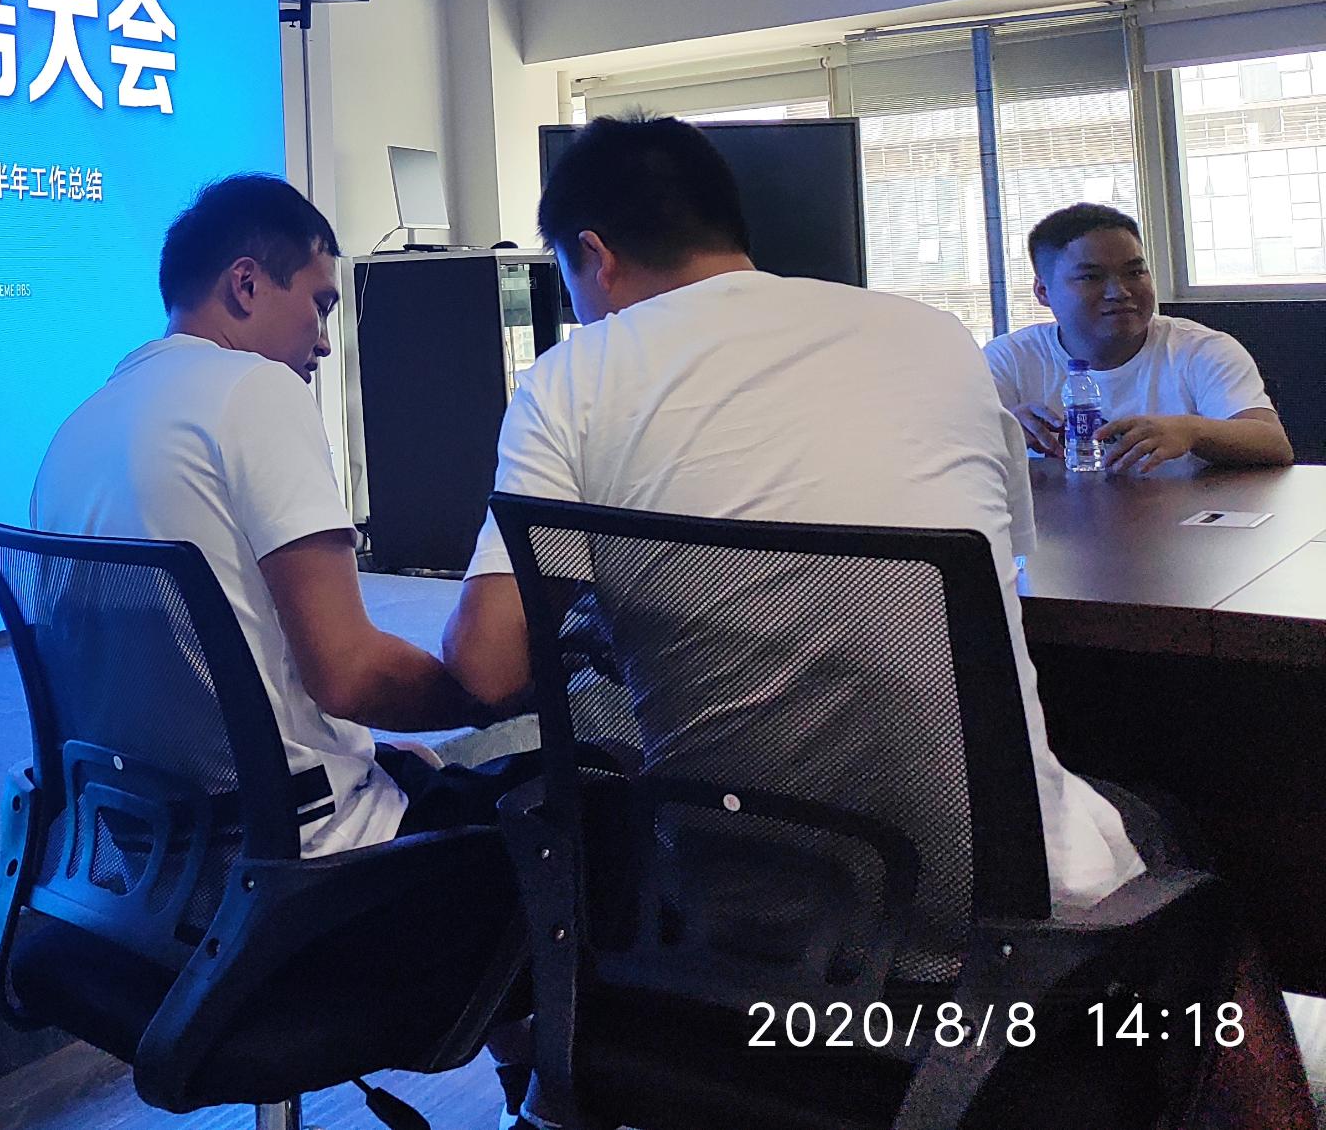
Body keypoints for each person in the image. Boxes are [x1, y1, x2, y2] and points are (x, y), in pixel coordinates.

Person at [442, 119, 1313, 1129]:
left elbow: (488, 665)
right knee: (1179, 823)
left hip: (721, 915)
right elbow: (992, 564)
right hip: (991, 925)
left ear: (592, 254)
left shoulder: (571, 377)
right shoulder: (931, 337)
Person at [31, 174, 495, 853]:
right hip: (306, 848)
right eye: (320, 305)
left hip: (152, 845)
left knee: (412, 759)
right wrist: (485, 697)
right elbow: (349, 673)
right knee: (585, 790)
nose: (325, 343)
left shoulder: (77, 429)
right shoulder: (257, 389)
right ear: (246, 284)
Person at [986, 203, 1291, 474]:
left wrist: (1193, 431)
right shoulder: (1007, 359)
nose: (1119, 292)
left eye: (1135, 273)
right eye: (1091, 277)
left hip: (1180, 516)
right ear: (1043, 291)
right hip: (1050, 518)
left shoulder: (1201, 349)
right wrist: (1000, 431)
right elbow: (959, 450)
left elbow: (1274, 444)